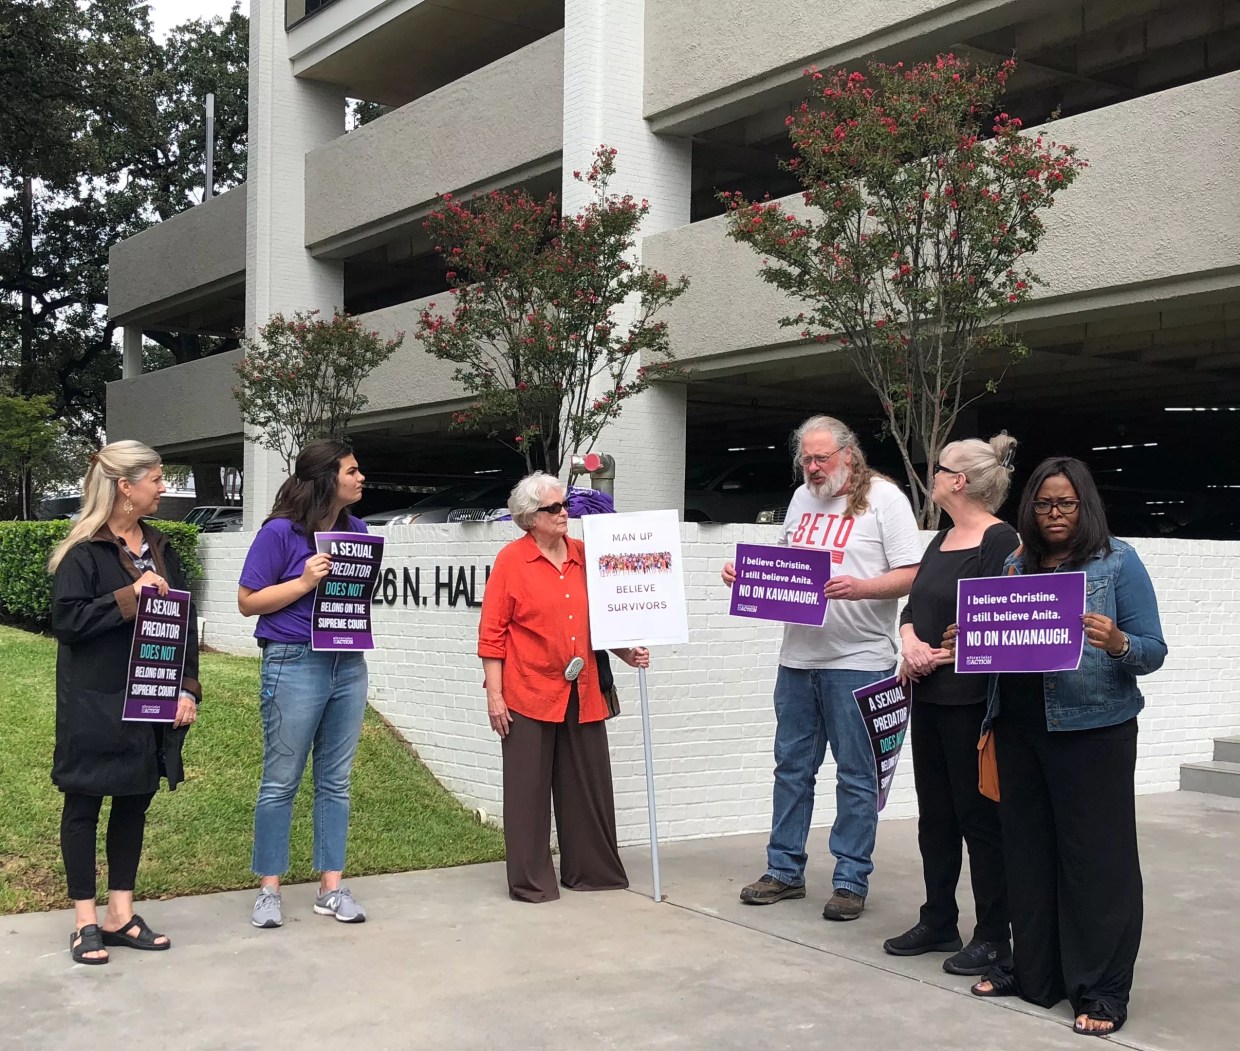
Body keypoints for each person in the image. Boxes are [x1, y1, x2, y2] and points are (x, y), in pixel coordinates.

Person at [960, 457, 1167, 1037]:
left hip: (1094, 731)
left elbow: (1153, 649)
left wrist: (1119, 641)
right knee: (1026, 854)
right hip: (1020, 728)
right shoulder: (1013, 563)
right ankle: (1035, 973)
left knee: (1096, 863)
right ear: (1030, 508)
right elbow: (1004, 643)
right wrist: (968, 639)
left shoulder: (1118, 562)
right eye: (1045, 504)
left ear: (1085, 507)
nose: (1054, 514)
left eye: (1066, 504)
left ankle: (1101, 987)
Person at [724, 415, 921, 921]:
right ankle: (784, 871)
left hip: (860, 661)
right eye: (806, 459)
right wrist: (747, 576)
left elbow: (912, 574)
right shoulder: (800, 499)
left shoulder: (886, 499)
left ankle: (851, 880)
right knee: (792, 770)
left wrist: (861, 587)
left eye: (821, 458)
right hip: (798, 659)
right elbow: (792, 566)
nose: (812, 468)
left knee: (857, 776)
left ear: (848, 454)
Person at [48, 440, 200, 965]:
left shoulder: (161, 545)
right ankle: (84, 921)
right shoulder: (82, 551)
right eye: (156, 478)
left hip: (149, 698)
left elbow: (184, 623)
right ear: (125, 487)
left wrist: (186, 686)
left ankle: (120, 913)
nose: (164, 487)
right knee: (84, 803)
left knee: (134, 800)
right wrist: (132, 597)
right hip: (93, 700)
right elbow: (67, 624)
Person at [478, 472, 650, 902]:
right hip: (527, 690)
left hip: (584, 688)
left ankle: (592, 871)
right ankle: (532, 881)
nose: (563, 513)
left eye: (564, 505)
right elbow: (492, 634)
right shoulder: (511, 561)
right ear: (528, 518)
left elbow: (606, 618)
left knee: (587, 785)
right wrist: (495, 696)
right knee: (527, 793)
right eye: (553, 508)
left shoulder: (586, 556)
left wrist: (628, 652)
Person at [883, 435, 1019, 975]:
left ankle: (992, 934)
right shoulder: (941, 539)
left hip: (972, 704)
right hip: (930, 699)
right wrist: (910, 639)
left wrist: (945, 649)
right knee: (935, 818)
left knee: (979, 819)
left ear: (959, 481)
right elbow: (914, 606)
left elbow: (997, 621)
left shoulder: (1001, 541)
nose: (931, 476)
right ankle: (938, 917)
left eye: (938, 469)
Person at [238, 439, 371, 928]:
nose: (361, 478)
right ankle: (269, 889)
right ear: (326, 478)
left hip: (347, 662)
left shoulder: (356, 531)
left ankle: (331, 888)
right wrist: (302, 583)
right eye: (352, 471)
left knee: (335, 781)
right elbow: (247, 601)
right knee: (280, 781)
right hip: (293, 661)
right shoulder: (280, 533)